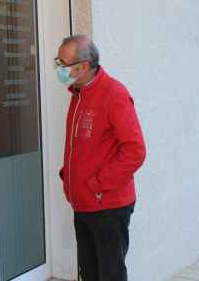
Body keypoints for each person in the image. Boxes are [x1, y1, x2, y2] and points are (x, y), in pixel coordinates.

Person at [56, 35, 146, 281]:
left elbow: (135, 151)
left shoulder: (113, 94)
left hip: (108, 206)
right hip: (83, 203)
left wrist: (97, 184)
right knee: (90, 273)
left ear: (83, 66)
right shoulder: (78, 93)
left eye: (61, 63)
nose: (58, 68)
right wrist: (69, 178)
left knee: (110, 274)